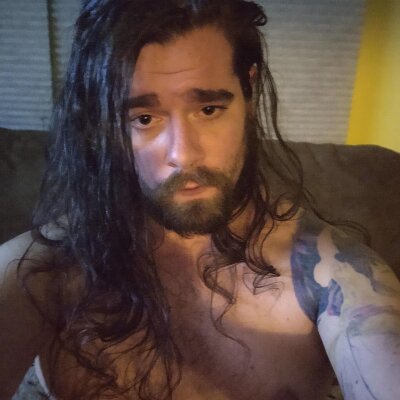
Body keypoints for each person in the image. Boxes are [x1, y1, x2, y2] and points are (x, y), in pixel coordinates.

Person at [1, 0, 399, 399]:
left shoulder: (332, 276)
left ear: (249, 91)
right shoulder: (43, 272)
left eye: (209, 109)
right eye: (144, 119)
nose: (184, 154)